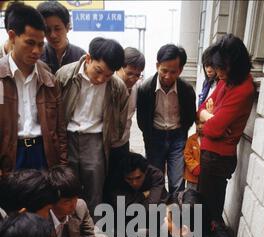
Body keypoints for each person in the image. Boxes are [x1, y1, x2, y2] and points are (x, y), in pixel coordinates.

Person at [56, 37, 129, 216]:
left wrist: (109, 139)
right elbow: (54, 110)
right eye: (98, 71)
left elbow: (121, 119)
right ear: (88, 58)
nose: (101, 78)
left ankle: (93, 235)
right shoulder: (65, 75)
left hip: (96, 141)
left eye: (108, 75)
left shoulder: (117, 87)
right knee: (66, 190)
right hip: (68, 138)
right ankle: (68, 235)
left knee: (94, 192)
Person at [0, 2, 67, 172]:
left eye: (40, 44)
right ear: (12, 36)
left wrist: (62, 167)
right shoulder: (1, 78)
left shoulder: (48, 80)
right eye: (30, 43)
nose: (37, 51)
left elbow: (60, 130)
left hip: (43, 153)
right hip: (10, 155)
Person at [197, 34, 255, 222]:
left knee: (209, 212)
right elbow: (200, 110)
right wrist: (209, 117)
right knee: (205, 208)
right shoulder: (226, 80)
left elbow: (213, 129)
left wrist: (209, 121)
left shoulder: (243, 87)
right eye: (217, 67)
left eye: (222, 68)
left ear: (236, 64)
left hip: (218, 158)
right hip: (210, 153)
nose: (218, 72)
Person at [137, 44, 196, 194]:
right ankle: (158, 214)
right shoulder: (145, 89)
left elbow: (189, 117)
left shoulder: (187, 90)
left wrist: (182, 133)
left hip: (177, 138)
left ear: (180, 70)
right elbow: (142, 120)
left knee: (177, 181)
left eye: (173, 72)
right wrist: (149, 138)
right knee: (155, 180)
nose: (168, 76)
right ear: (157, 66)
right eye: (164, 71)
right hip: (154, 137)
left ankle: (175, 215)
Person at [105, 47, 145, 195]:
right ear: (119, 68)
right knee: (106, 183)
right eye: (129, 73)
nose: (133, 79)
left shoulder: (136, 89)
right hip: (106, 146)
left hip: (123, 143)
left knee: (121, 183)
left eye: (137, 75)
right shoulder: (107, 86)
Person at [110, 152, 168, 237]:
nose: (134, 183)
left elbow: (152, 203)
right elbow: (122, 204)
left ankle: (154, 235)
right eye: (129, 179)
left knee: (159, 205)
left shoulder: (156, 175)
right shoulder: (116, 177)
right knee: (116, 206)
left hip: (149, 210)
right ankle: (123, 233)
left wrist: (134, 200)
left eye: (138, 178)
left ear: (145, 172)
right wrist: (144, 195)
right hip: (126, 211)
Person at [37, 1, 85, 74]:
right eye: (47, 30)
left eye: (57, 29)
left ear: (67, 27)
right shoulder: (37, 55)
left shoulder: (80, 56)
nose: (53, 35)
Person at [183, 121, 201, 190]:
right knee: (190, 196)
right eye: (197, 124)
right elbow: (187, 154)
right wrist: (194, 167)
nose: (199, 126)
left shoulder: (210, 140)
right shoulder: (191, 139)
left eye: (203, 123)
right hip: (192, 177)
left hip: (206, 178)